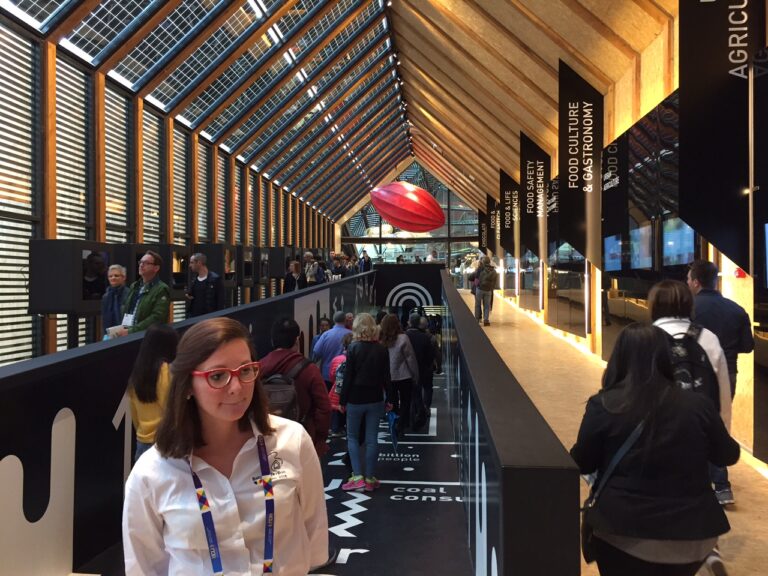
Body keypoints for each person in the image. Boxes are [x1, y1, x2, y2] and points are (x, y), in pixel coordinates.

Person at [123, 317, 329, 575]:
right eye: (217, 376)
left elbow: (313, 538)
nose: (236, 388)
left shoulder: (292, 441)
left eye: (245, 371)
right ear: (187, 385)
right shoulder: (151, 473)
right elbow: (145, 567)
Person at [570, 323, 740, 576]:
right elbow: (728, 454)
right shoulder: (698, 405)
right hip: (692, 536)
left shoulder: (605, 404)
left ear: (619, 358)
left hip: (622, 533)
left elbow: (582, 462)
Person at [687, 260, 754, 505]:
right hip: (728, 374)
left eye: (688, 280)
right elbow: (747, 346)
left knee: (695, 424)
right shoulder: (736, 309)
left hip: (697, 372)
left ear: (696, 282)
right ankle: (722, 487)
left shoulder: (690, 308)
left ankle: (702, 484)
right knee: (718, 424)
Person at [259, 317, 331, 457]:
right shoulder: (309, 369)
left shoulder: (259, 367)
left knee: (271, 478)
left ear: (272, 340)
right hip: (303, 438)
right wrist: (320, 439)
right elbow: (324, 408)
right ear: (297, 340)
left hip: (267, 439)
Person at [339, 313, 391, 492]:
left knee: (352, 437)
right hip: (375, 398)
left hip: (355, 398)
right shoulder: (382, 349)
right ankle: (369, 477)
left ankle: (357, 476)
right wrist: (390, 399)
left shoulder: (353, 348)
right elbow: (387, 378)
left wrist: (342, 400)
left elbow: (348, 377)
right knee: (372, 438)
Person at [127, 324, 178, 461]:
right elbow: (170, 406)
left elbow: (134, 414)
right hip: (164, 443)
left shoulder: (137, 373)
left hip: (141, 442)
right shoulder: (166, 371)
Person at [312, 311, 352, 436]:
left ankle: (332, 426)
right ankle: (342, 425)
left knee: (329, 400)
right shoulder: (350, 334)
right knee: (345, 400)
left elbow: (316, 352)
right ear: (345, 320)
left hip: (328, 373)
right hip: (348, 374)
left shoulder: (326, 335)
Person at [380, 313, 419, 435]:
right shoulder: (403, 338)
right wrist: (415, 375)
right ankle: (401, 425)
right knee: (406, 401)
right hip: (404, 376)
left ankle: (393, 423)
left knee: (392, 402)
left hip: (387, 377)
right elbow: (410, 359)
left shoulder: (380, 339)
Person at [116, 250, 170, 337]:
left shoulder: (161, 289)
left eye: (146, 263)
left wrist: (132, 331)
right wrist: (125, 328)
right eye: (140, 262)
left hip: (146, 336)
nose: (141, 265)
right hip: (128, 333)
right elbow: (128, 309)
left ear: (156, 268)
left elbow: (157, 318)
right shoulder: (135, 286)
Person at [406, 314, 440, 409]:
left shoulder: (405, 336)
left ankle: (416, 408)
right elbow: (435, 354)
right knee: (428, 387)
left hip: (411, 368)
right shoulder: (430, 337)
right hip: (426, 368)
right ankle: (426, 407)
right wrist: (436, 365)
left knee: (415, 389)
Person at [185, 253, 224, 317]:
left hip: (209, 319)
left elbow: (220, 303)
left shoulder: (215, 279)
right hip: (194, 319)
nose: (190, 265)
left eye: (192, 262)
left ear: (199, 263)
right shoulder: (194, 280)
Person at [101, 264, 128, 336]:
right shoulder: (105, 297)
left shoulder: (130, 294)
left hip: (126, 334)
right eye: (110, 276)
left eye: (116, 275)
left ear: (124, 277)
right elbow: (104, 320)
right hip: (110, 335)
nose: (113, 278)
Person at [475, 256, 498, 326]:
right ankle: (486, 320)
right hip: (488, 290)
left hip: (480, 289)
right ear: (489, 262)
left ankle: (476, 320)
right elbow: (494, 282)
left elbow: (476, 279)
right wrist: (491, 288)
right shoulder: (494, 271)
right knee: (487, 306)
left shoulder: (480, 269)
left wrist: (477, 286)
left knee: (477, 305)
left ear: (483, 262)